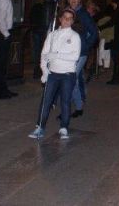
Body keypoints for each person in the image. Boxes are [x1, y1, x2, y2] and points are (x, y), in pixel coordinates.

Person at [28, 9, 81, 140]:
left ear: (73, 21)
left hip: (67, 74)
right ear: (60, 19)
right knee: (46, 101)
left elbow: (74, 56)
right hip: (52, 74)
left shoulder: (75, 36)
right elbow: (44, 54)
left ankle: (64, 127)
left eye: (70, 18)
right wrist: (44, 71)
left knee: (65, 101)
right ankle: (39, 127)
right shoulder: (52, 35)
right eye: (65, 17)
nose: (67, 20)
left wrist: (57, 55)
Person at [66, 0, 98, 118]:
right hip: (66, 54)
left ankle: (71, 109)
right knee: (73, 80)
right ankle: (77, 107)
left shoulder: (83, 14)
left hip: (80, 54)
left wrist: (85, 45)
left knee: (70, 79)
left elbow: (94, 32)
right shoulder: (66, 13)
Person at [101, 0, 119, 84]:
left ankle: (116, 78)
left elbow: (111, 23)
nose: (113, 5)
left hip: (116, 38)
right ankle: (117, 77)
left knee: (115, 58)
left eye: (114, 4)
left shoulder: (118, 13)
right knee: (117, 58)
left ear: (117, 3)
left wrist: (100, 27)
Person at [30, 0, 45, 79]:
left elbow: (31, 18)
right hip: (41, 31)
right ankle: (39, 70)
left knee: (37, 50)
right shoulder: (44, 8)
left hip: (36, 30)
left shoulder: (34, 8)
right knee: (42, 51)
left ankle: (36, 71)